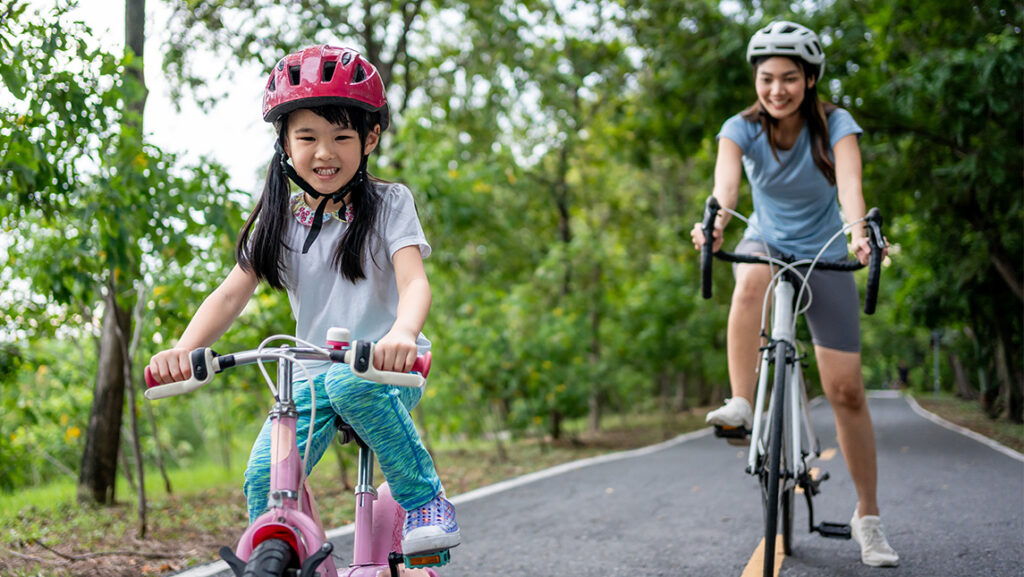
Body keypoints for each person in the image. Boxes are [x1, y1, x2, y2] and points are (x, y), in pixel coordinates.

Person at [147, 45, 459, 557]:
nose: (324, 152)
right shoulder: (279, 220)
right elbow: (229, 296)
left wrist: (402, 333)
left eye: (341, 136)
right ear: (285, 144)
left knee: (349, 384)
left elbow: (414, 282)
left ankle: (425, 500)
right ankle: (286, 557)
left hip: (383, 369)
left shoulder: (389, 204)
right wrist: (184, 348)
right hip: (312, 374)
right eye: (307, 137)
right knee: (262, 476)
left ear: (370, 138)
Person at [690, 22, 898, 567]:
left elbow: (851, 187)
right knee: (750, 277)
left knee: (847, 390)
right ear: (755, 81)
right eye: (766, 79)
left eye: (789, 78)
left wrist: (859, 234)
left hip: (825, 247)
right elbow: (726, 190)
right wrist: (712, 226)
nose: (777, 89)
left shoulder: (836, 124)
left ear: (809, 80)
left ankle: (868, 519)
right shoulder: (740, 128)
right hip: (767, 239)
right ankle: (742, 402)